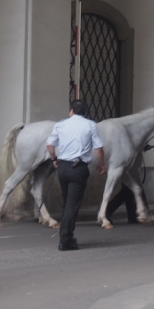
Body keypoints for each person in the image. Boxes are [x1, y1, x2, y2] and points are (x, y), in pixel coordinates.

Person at [46, 100, 105, 251]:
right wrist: (101, 163)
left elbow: (49, 145)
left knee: (67, 202)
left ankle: (65, 236)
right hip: (78, 168)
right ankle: (65, 240)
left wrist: (54, 159)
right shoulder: (90, 125)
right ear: (84, 112)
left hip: (63, 167)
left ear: (71, 111)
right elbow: (99, 148)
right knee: (73, 204)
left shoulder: (60, 124)